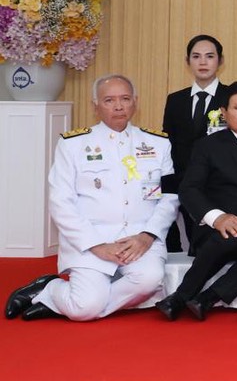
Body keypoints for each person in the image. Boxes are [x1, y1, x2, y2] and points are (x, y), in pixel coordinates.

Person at [7, 76, 177, 322]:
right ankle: (52, 289)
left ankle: (58, 300)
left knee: (149, 281)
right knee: (85, 309)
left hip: (139, 239)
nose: (118, 106)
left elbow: (170, 197)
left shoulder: (157, 143)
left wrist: (147, 235)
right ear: (95, 105)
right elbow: (61, 202)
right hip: (91, 238)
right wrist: (96, 245)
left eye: (125, 99)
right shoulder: (73, 144)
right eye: (109, 100)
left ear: (135, 102)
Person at [154, 82, 237, 320]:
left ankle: (208, 298)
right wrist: (218, 218)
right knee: (231, 236)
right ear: (224, 112)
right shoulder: (207, 146)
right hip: (218, 229)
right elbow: (189, 189)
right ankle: (181, 296)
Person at [160, 34, 226, 252]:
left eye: (209, 56)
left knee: (209, 248)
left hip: (218, 184)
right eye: (196, 56)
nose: (203, 62)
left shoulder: (231, 97)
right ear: (187, 61)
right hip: (183, 181)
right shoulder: (175, 100)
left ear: (220, 60)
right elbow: (169, 143)